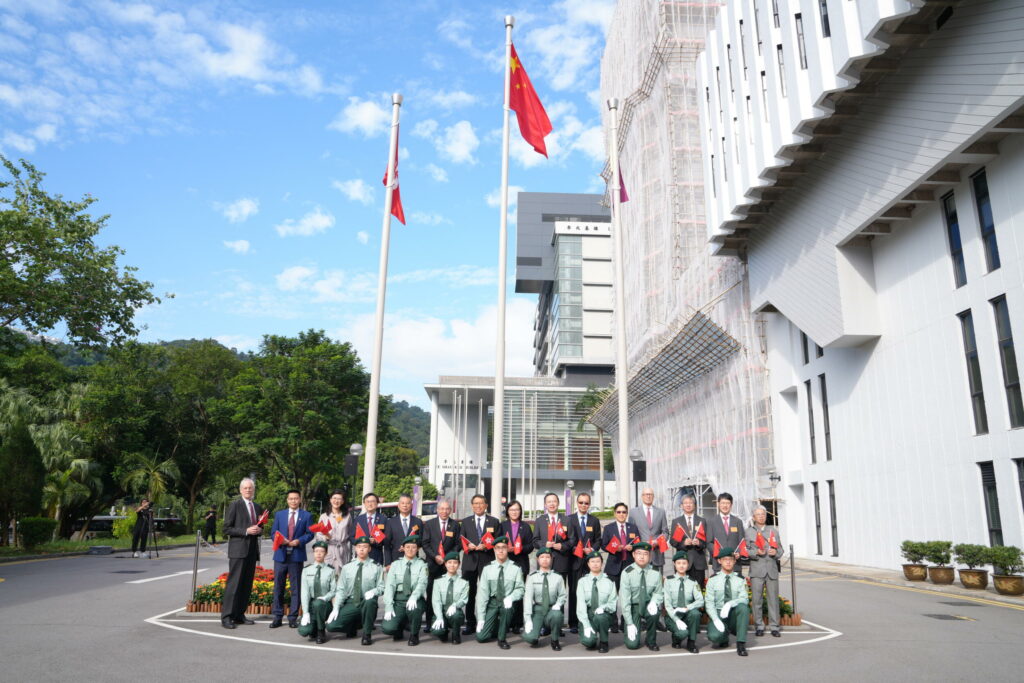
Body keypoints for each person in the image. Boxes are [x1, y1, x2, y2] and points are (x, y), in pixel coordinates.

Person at [220, 478, 264, 630]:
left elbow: (260, 526)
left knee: (246, 584)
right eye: (245, 488)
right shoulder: (235, 505)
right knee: (234, 584)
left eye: (250, 488)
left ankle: (239, 614)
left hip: (252, 551)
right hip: (238, 551)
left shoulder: (257, 507)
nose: (248, 490)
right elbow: (226, 529)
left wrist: (259, 530)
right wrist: (245, 531)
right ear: (240, 490)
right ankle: (227, 617)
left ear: (254, 490)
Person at [327, 535, 385, 645]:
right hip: (351, 602)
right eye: (359, 547)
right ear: (355, 549)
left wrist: (374, 592)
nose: (362, 549)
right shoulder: (347, 567)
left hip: (366, 603)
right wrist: (336, 608)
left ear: (369, 549)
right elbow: (341, 589)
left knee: (370, 602)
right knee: (331, 626)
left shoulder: (377, 567)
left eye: (364, 547)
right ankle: (353, 625)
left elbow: (381, 587)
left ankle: (367, 634)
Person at [269, 490, 314, 629]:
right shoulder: (279, 515)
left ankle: (293, 617)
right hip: (281, 555)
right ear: (287, 500)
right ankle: (277, 616)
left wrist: (299, 541)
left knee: (296, 587)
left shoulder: (306, 515)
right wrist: (280, 540)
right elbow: (273, 533)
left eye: (296, 498)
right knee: (278, 587)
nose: (293, 501)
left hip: (296, 555)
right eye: (291, 499)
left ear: (300, 500)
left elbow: (310, 533)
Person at [458, 494, 499, 635]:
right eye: (475, 503)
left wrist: (487, 547)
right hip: (470, 562)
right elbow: (460, 540)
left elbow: (498, 541)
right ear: (472, 505)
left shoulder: (494, 521)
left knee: (488, 593)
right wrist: (467, 545)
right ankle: (470, 622)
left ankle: (488, 622)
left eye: (481, 503)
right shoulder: (466, 521)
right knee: (470, 594)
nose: (478, 506)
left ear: (486, 505)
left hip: (487, 562)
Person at [474, 536, 525, 649]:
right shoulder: (487, 568)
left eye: (504, 547)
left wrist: (511, 598)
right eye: (498, 548)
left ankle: (502, 639)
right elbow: (482, 594)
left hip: (507, 602)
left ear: (508, 549)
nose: (501, 550)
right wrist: (481, 617)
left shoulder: (516, 568)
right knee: (481, 637)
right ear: (494, 550)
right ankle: (496, 627)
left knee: (507, 609)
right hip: (493, 603)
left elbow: (520, 589)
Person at [420, 498, 461, 633]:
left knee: (447, 593)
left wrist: (448, 559)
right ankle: (429, 622)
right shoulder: (429, 524)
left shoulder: (455, 525)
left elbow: (458, 544)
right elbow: (425, 543)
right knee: (431, 593)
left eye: (447, 509)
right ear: (437, 510)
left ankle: (446, 619)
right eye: (441, 509)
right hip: (433, 564)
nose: (444, 511)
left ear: (450, 510)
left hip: (448, 566)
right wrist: (435, 556)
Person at [381, 535, 429, 646]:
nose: (410, 550)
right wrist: (388, 606)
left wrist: (414, 596)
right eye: (407, 547)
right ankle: (401, 625)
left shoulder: (422, 565)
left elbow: (422, 583)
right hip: (398, 600)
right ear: (403, 548)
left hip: (415, 598)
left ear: (417, 549)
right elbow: (390, 586)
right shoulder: (395, 565)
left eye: (413, 547)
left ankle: (414, 634)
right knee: (388, 628)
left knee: (415, 609)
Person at [600, 502, 640, 632]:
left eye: (624, 512)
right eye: (619, 512)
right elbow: (603, 545)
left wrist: (632, 547)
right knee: (612, 596)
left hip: (629, 565)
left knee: (628, 595)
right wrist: (615, 548)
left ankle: (626, 621)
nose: (621, 514)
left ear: (627, 514)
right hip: (614, 565)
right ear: (614, 513)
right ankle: (613, 622)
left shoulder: (633, 528)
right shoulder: (609, 528)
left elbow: (638, 543)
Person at [746, 505, 784, 637]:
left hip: (771, 570)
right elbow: (745, 551)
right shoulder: (749, 532)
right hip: (757, 570)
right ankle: (759, 626)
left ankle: (774, 626)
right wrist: (756, 552)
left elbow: (781, 550)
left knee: (773, 599)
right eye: (758, 514)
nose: (761, 516)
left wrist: (776, 552)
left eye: (763, 514)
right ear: (753, 517)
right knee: (757, 600)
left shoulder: (773, 531)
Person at [704, 547, 750, 656]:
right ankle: (723, 637)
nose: (728, 562)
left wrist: (730, 603)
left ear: (734, 561)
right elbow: (709, 602)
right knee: (715, 637)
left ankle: (741, 643)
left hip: (734, 613)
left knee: (743, 607)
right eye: (725, 559)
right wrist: (715, 619)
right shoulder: (713, 579)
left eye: (731, 559)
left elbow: (744, 598)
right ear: (719, 561)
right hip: (719, 613)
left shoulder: (740, 579)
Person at [618, 541, 663, 651]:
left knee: (654, 613)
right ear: (633, 555)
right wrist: (629, 623)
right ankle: (632, 629)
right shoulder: (627, 573)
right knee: (632, 645)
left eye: (645, 554)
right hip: (634, 607)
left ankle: (651, 640)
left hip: (648, 604)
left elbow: (658, 592)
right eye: (638, 553)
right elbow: (625, 600)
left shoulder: (656, 572)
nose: (642, 557)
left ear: (649, 556)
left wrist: (654, 602)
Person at [567, 492, 601, 634]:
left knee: (589, 592)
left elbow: (599, 539)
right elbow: (566, 539)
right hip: (574, 561)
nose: (583, 505)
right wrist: (575, 548)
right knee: (574, 591)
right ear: (577, 503)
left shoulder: (594, 521)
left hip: (590, 562)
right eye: (581, 502)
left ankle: (587, 619)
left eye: (586, 503)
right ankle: (573, 622)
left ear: (589, 504)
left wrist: (592, 549)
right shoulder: (569, 519)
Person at [521, 547, 565, 650]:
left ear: (551, 559)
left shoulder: (558, 577)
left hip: (552, 609)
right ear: (538, 560)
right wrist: (527, 619)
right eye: (542, 557)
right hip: (538, 609)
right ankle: (535, 634)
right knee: (530, 638)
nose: (545, 559)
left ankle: (554, 639)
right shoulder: (532, 577)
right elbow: (527, 599)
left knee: (557, 615)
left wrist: (558, 604)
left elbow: (563, 595)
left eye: (547, 557)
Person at [501, 500, 534, 633]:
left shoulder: (525, 527)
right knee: (506, 591)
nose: (514, 512)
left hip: (521, 562)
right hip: (506, 563)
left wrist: (518, 549)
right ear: (508, 512)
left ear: (520, 511)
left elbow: (531, 545)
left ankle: (518, 622)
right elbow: (496, 542)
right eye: (512, 510)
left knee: (519, 592)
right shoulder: (502, 526)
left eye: (517, 510)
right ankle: (506, 620)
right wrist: (505, 548)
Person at [576, 551, 617, 653]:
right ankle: (591, 636)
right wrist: (586, 624)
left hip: (604, 614)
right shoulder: (582, 581)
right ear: (588, 564)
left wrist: (604, 607)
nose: (595, 564)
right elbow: (581, 605)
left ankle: (604, 641)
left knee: (601, 617)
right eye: (592, 561)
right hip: (588, 614)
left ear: (602, 564)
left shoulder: (609, 581)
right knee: (589, 642)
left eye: (598, 561)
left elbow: (612, 603)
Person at [663, 551, 703, 652]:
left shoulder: (693, 582)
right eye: (679, 563)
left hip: (687, 612)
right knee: (682, 633)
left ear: (688, 565)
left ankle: (691, 642)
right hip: (673, 614)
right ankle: (676, 639)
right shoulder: (668, 581)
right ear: (674, 564)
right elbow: (667, 604)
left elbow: (700, 601)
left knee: (695, 613)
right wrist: (676, 620)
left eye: (684, 563)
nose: (681, 566)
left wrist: (687, 608)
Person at [298, 541, 337, 644]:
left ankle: (321, 631)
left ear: (326, 553)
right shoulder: (306, 570)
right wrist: (305, 612)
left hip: (325, 604)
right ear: (313, 553)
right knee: (304, 631)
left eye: (322, 551)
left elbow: (334, 590)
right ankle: (313, 626)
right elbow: (305, 592)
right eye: (316, 551)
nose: (319, 553)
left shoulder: (331, 570)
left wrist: (326, 597)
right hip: (312, 604)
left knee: (318, 603)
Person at [533, 492, 576, 585]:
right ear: (545, 504)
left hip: (562, 562)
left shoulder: (567, 520)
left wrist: (562, 546)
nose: (552, 504)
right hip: (544, 562)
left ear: (558, 503)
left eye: (554, 501)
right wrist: (544, 545)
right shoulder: (539, 520)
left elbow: (572, 540)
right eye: (549, 502)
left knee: (560, 592)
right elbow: (535, 541)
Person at [430, 551, 470, 644]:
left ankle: (456, 634)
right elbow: (436, 601)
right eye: (449, 562)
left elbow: (464, 599)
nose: (452, 565)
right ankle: (444, 631)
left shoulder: (464, 582)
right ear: (445, 564)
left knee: (456, 615)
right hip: (442, 611)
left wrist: (455, 605)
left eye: (455, 562)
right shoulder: (438, 581)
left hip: (455, 611)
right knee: (437, 631)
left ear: (459, 564)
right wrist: (439, 617)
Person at [669, 493, 707, 585]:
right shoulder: (676, 522)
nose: (688, 505)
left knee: (699, 590)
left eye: (691, 503)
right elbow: (673, 542)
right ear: (681, 506)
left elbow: (706, 542)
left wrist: (699, 543)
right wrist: (683, 543)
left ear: (694, 505)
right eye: (685, 503)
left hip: (698, 562)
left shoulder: (702, 521)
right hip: (682, 561)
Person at [628, 488, 668, 574]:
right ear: (642, 497)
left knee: (658, 582)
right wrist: (641, 543)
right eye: (646, 494)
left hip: (657, 554)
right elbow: (631, 534)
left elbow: (665, 532)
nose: (648, 496)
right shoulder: (633, 512)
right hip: (640, 554)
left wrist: (658, 541)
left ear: (653, 497)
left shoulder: (661, 512)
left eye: (650, 494)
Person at [706, 492, 745, 576]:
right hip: (718, 564)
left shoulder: (738, 522)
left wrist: (739, 553)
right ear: (718, 504)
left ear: (731, 505)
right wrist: (721, 554)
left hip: (735, 564)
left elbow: (742, 542)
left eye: (727, 503)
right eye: (723, 503)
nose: (725, 506)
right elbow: (709, 542)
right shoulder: (711, 521)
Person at [315, 489, 353, 572]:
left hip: (343, 550)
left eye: (339, 499)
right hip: (329, 549)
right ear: (330, 500)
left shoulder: (347, 516)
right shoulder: (324, 516)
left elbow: (350, 534)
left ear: (343, 501)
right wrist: (326, 537)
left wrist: (350, 552)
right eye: (334, 498)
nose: (336, 501)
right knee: (328, 574)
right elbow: (318, 535)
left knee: (342, 576)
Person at [383, 493, 423, 567]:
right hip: (395, 560)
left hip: (413, 560)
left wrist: (410, 547)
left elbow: (421, 540)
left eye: (408, 503)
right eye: (402, 503)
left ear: (411, 506)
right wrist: (388, 563)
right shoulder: (390, 522)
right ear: (398, 505)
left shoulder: (418, 522)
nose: (405, 505)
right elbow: (387, 545)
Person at [351, 492, 387, 565]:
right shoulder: (358, 519)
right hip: (361, 556)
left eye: (373, 501)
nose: (370, 504)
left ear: (377, 503)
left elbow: (387, 538)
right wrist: (361, 542)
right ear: (364, 504)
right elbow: (351, 537)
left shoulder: (383, 519)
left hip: (376, 555)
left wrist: (376, 541)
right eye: (367, 502)